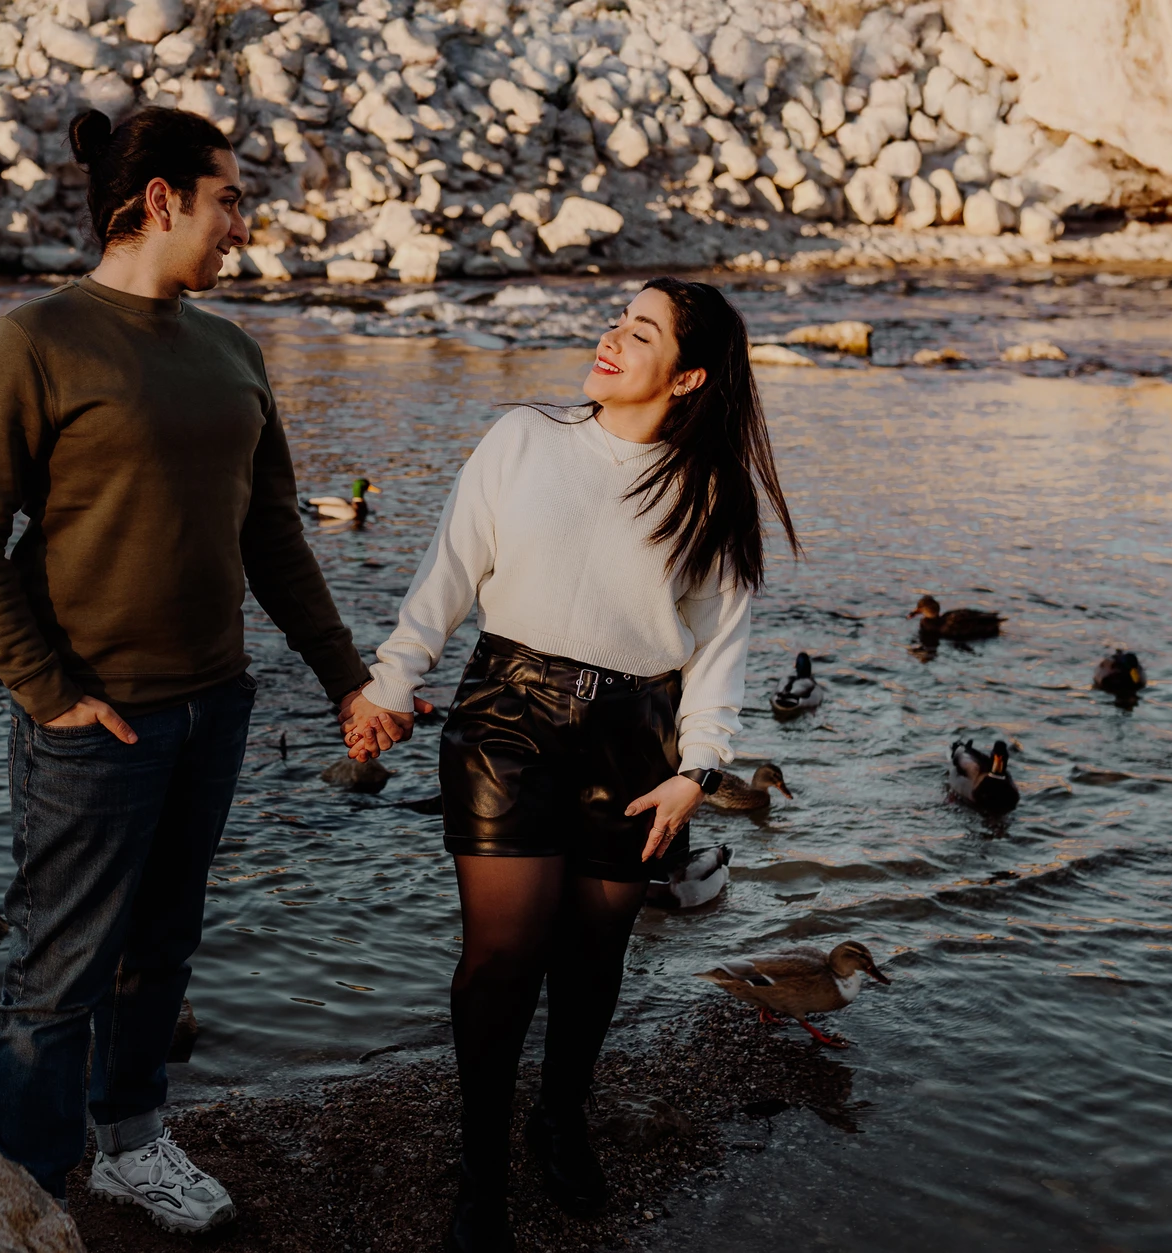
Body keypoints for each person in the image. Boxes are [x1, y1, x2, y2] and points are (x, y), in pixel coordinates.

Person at [0, 106, 379, 1234]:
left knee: (165, 944)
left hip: (214, 704)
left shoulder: (233, 351)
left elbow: (272, 535)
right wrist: (48, 694)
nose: (243, 224)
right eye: (229, 198)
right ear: (160, 201)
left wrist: (345, 676)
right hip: (96, 720)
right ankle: (30, 1197)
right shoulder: (33, 342)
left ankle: (131, 1144)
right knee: (60, 968)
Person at [343, 277, 799, 1252]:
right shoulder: (523, 438)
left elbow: (720, 650)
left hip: (638, 739)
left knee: (595, 952)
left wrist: (697, 769)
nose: (610, 338)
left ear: (687, 377)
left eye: (641, 333)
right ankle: (482, 1176)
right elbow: (446, 571)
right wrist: (389, 683)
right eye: (615, 320)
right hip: (506, 716)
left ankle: (559, 1115)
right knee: (502, 957)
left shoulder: (712, 491)